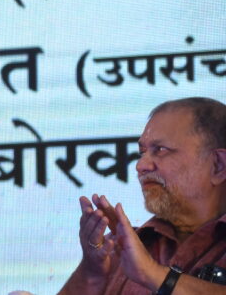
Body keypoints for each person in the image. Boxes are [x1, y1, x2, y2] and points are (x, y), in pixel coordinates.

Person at [58, 97, 226, 295]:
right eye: (142, 152)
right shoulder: (120, 247)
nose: (140, 166)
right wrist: (92, 271)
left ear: (218, 165)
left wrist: (152, 273)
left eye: (161, 150)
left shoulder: (139, 259)